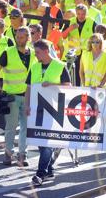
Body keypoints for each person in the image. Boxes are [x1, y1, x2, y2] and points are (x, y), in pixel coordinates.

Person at [26, 39, 71, 186]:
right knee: (41, 142)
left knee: (46, 143)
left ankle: (40, 173)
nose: (36, 55)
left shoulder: (59, 66)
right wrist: (27, 105)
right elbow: (29, 88)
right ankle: (49, 168)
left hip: (53, 110)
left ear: (46, 51)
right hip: (37, 110)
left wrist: (52, 84)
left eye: (38, 52)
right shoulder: (34, 67)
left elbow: (68, 87)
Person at [0, 26, 36, 166]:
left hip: (28, 96)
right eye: (17, 37)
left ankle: (22, 154)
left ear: (28, 38)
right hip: (11, 96)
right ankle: (8, 153)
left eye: (21, 37)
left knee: (25, 127)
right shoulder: (8, 52)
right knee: (11, 126)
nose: (18, 39)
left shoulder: (34, 54)